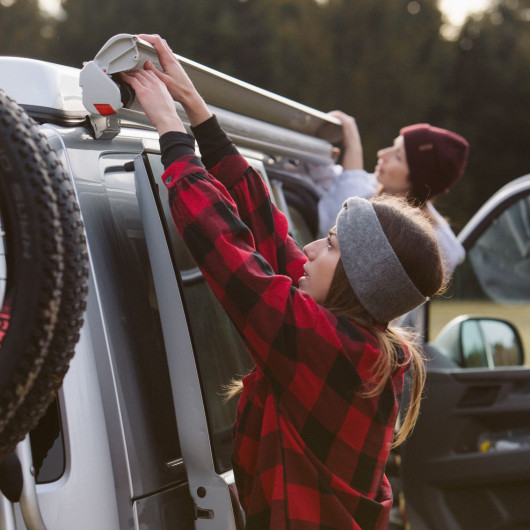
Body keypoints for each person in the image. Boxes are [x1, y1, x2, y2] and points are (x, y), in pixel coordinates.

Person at [121, 34, 445, 530]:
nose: (311, 248)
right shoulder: (359, 338)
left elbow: (230, 255)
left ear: (356, 283)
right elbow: (271, 234)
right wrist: (197, 112)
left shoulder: (331, 348)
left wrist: (172, 133)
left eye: (331, 245)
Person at [318, 111, 469, 277]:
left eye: (398, 157)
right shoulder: (371, 186)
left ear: (416, 180)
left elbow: (338, 224)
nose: (382, 153)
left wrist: (353, 145)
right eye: (393, 146)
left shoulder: (414, 238)